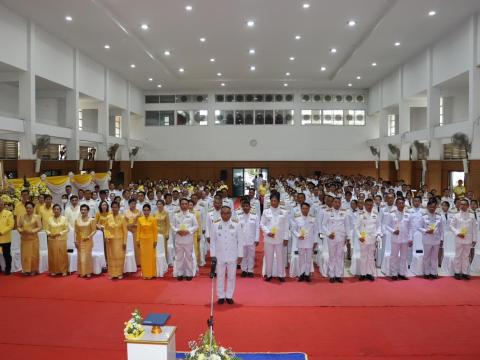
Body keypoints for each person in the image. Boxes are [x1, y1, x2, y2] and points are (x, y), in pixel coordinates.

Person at [210, 206, 243, 304]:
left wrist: (240, 255)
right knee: (220, 276)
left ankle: (229, 295)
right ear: (220, 214)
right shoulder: (215, 224)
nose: (225, 215)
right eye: (223, 213)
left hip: (232, 255)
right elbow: (212, 242)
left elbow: (240, 241)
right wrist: (213, 255)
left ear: (231, 214)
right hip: (219, 255)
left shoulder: (236, 224)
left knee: (231, 276)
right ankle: (220, 295)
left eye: (228, 213)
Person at [260, 192, 289, 282]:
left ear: (279, 201)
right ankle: (269, 274)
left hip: (280, 238)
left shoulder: (284, 212)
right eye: (272, 201)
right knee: (269, 257)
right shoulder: (266, 211)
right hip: (269, 238)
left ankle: (281, 275)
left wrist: (286, 238)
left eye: (275, 201)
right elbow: (261, 224)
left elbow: (286, 226)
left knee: (280, 257)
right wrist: (268, 232)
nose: (273, 203)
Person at [322, 197, 350, 283]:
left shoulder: (345, 213)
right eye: (335, 202)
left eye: (338, 202)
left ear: (340, 203)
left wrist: (348, 237)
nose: (337, 204)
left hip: (341, 238)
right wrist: (328, 233)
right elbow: (323, 225)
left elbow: (347, 226)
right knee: (332, 256)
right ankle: (332, 275)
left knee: (340, 256)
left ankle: (338, 275)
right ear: (333, 203)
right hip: (331, 238)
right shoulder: (327, 212)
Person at [450, 199, 478, 280]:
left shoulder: (472, 216)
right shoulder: (456, 215)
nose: (462, 206)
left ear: (468, 206)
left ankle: (465, 272)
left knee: (466, 256)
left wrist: (474, 240)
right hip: (459, 238)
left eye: (464, 204)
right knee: (458, 255)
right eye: (461, 204)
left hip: (468, 239)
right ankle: (457, 272)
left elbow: (474, 229)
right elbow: (451, 226)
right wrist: (457, 233)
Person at [172, 198, 199, 281]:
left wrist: (188, 231)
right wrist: (177, 231)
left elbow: (196, 226)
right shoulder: (176, 215)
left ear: (188, 205)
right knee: (179, 257)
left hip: (188, 239)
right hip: (179, 239)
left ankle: (189, 273)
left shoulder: (192, 215)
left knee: (189, 257)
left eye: (185, 204)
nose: (184, 205)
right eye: (182, 204)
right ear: (180, 205)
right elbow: (172, 225)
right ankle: (179, 273)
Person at [386, 198, 412, 280]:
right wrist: (393, 231)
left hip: (405, 239)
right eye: (399, 203)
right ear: (396, 204)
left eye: (402, 203)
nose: (401, 205)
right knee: (394, 256)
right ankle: (394, 274)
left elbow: (410, 228)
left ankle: (402, 273)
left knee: (404, 257)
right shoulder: (392, 214)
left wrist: (410, 239)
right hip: (395, 239)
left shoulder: (408, 214)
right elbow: (386, 226)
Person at [356, 199, 381, 281]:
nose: (369, 206)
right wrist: (359, 236)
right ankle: (363, 274)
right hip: (363, 239)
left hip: (372, 239)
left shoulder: (375, 215)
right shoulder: (361, 215)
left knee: (371, 257)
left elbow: (379, 226)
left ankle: (369, 273)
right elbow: (356, 227)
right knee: (363, 257)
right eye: (368, 205)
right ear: (365, 205)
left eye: (371, 205)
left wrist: (378, 234)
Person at [292, 202, 317, 282]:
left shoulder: (313, 218)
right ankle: (301, 274)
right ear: (301, 209)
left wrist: (315, 241)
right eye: (303, 208)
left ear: (309, 209)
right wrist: (298, 235)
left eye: (306, 208)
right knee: (301, 259)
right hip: (301, 241)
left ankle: (307, 274)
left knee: (309, 259)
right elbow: (293, 229)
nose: (305, 210)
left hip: (310, 242)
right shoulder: (297, 218)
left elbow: (315, 231)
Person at [419, 199, 444, 279]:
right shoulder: (424, 217)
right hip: (427, 239)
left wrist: (442, 239)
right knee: (426, 256)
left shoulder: (439, 217)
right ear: (427, 207)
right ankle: (426, 273)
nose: (432, 208)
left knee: (434, 257)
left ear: (436, 207)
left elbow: (441, 230)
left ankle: (433, 273)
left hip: (436, 240)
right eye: (430, 207)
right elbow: (419, 227)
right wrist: (426, 231)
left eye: (434, 207)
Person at [104, 201, 128, 279]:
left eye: (116, 207)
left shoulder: (122, 217)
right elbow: (106, 229)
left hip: (119, 240)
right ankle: (111, 273)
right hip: (110, 241)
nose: (114, 209)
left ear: (118, 208)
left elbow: (125, 231)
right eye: (113, 207)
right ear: (111, 208)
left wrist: (124, 242)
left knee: (119, 256)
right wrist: (107, 236)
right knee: (111, 256)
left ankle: (119, 273)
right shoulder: (108, 217)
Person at [17, 202, 42, 275]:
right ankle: (26, 270)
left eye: (30, 208)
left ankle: (34, 270)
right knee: (25, 255)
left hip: (33, 239)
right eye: (27, 208)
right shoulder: (22, 216)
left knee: (34, 255)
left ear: (33, 208)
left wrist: (32, 231)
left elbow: (40, 227)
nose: (28, 209)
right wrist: (21, 231)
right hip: (24, 239)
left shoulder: (37, 217)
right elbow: (18, 226)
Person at [237, 198, 260, 277]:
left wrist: (257, 239)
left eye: (247, 206)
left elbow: (257, 228)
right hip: (242, 239)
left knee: (251, 255)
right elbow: (237, 228)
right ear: (242, 207)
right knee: (243, 255)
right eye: (244, 206)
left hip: (251, 239)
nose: (246, 207)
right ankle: (244, 270)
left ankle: (250, 270)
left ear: (250, 207)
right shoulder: (239, 216)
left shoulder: (255, 216)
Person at [44, 204, 69, 276]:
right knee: (53, 255)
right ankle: (53, 270)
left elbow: (67, 229)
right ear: (53, 210)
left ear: (60, 210)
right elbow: (46, 228)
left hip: (61, 239)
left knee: (62, 255)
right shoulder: (49, 219)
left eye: (58, 209)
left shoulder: (64, 218)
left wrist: (59, 233)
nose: (56, 210)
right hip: (52, 239)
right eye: (55, 209)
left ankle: (63, 270)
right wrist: (50, 234)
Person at [74, 204, 97, 278]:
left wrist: (88, 237)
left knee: (87, 256)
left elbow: (94, 230)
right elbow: (75, 231)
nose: (83, 211)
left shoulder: (92, 220)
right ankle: (82, 271)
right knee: (80, 256)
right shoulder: (77, 220)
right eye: (82, 210)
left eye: (85, 210)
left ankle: (88, 271)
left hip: (88, 240)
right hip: (80, 240)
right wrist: (75, 241)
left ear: (88, 211)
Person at [137, 204, 157, 279]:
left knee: (151, 257)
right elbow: (138, 230)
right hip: (142, 240)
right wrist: (137, 240)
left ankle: (151, 273)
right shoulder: (140, 219)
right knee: (143, 257)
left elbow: (155, 231)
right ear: (143, 211)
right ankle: (145, 274)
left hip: (151, 240)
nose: (146, 212)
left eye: (147, 210)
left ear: (150, 211)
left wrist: (155, 240)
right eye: (144, 210)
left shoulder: (153, 219)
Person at [125, 199, 141, 266]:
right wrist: (129, 225)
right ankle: (131, 263)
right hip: (129, 232)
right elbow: (125, 222)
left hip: (137, 231)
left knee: (137, 246)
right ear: (129, 204)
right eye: (132, 204)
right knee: (130, 247)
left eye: (134, 204)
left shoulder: (139, 212)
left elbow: (141, 221)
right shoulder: (126, 212)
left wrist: (135, 225)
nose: (133, 205)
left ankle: (138, 262)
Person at [0, 199, 14, 275]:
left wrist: (2, 232)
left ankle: (8, 269)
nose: (0, 206)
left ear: (3, 205)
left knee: (7, 255)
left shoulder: (8, 213)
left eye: (1, 204)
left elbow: (11, 225)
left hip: (5, 238)